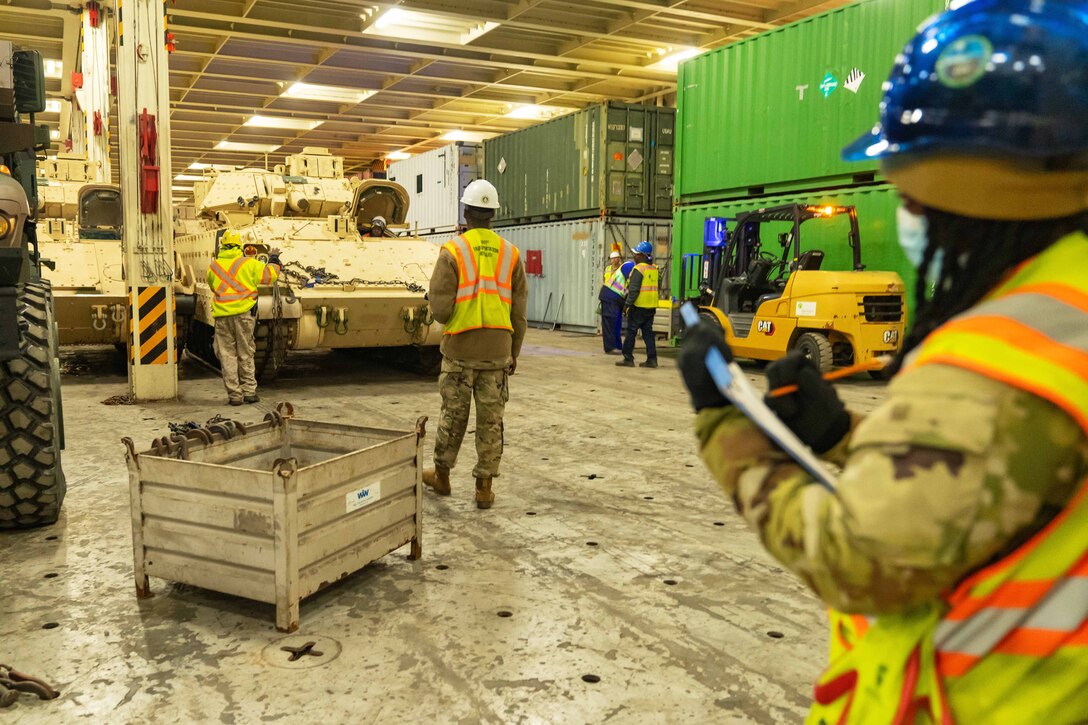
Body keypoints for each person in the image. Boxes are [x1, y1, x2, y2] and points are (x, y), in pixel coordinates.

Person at [679, 1, 1087, 721]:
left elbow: (860, 556)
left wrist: (725, 422)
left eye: (905, 190)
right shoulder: (1067, 308)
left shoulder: (999, 355)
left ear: (958, 191)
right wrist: (847, 437)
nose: (904, 207)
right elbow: (996, 474)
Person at [423, 179, 528, 509]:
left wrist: (458, 319)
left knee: (453, 416)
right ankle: (483, 489)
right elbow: (519, 313)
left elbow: (439, 308)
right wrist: (513, 352)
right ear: (492, 215)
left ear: (466, 212)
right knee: (491, 421)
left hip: (459, 351)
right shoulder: (511, 254)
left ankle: (442, 477)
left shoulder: (453, 251)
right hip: (497, 353)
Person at [205, 229, 281, 406]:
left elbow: (213, 286)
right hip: (244, 315)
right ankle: (249, 392)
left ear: (222, 245)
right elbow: (271, 276)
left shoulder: (214, 266)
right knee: (246, 352)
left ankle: (234, 395)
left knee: (227, 355)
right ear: (240, 245)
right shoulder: (249, 263)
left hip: (222, 317)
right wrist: (275, 259)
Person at [616, 241, 659, 368]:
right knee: (648, 333)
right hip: (650, 307)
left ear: (642, 255)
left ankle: (628, 358)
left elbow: (634, 290)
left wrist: (627, 305)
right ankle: (652, 359)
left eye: (636, 254)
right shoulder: (654, 269)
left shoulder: (639, 269)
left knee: (631, 332)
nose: (634, 256)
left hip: (638, 307)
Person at [598, 251, 628, 354]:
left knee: (616, 324)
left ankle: (618, 346)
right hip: (610, 297)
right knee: (610, 323)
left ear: (619, 258)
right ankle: (611, 347)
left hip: (616, 298)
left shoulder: (623, 268)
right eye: (612, 259)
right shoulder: (609, 269)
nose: (613, 260)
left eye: (615, 258)